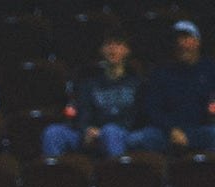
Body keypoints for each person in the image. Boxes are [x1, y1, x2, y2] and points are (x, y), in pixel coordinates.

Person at [41, 30, 162, 159]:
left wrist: (105, 131)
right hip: (93, 134)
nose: (112, 48)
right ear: (101, 50)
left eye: (118, 44)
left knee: (111, 131)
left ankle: (118, 170)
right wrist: (87, 130)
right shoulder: (89, 84)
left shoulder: (138, 84)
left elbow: (140, 117)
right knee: (53, 132)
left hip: (127, 133)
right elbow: (83, 113)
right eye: (108, 44)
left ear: (127, 50)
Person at [142, 20, 215, 153]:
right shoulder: (161, 73)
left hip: (201, 130)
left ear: (197, 42)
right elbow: (152, 109)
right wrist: (172, 129)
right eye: (177, 39)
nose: (181, 44)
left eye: (186, 38)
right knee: (141, 139)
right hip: (167, 132)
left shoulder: (210, 69)